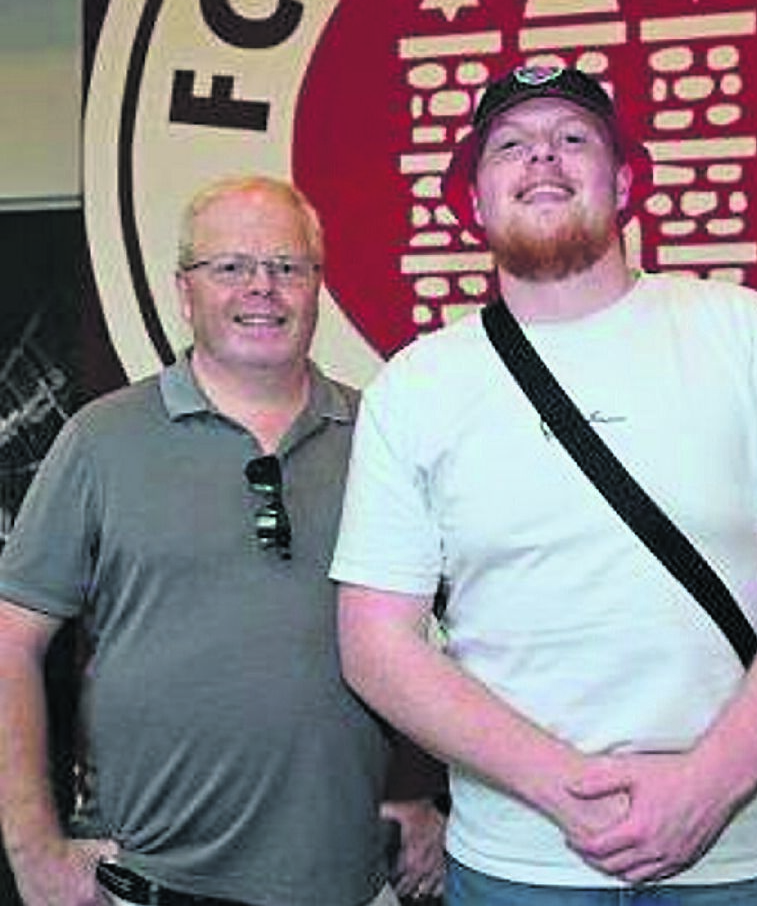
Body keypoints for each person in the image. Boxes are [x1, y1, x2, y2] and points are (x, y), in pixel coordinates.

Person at [331, 64, 757, 905]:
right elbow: (375, 645)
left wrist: (705, 788)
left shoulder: (751, 337)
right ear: (472, 201)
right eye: (509, 145)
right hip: (514, 868)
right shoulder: (413, 389)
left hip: (740, 860)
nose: (542, 156)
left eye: (573, 138)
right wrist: (561, 788)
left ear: (625, 183)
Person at [0, 176, 446, 906]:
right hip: (146, 881)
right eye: (231, 266)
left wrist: (414, 785)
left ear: (317, 286)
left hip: (350, 881)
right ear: (185, 291)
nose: (261, 288)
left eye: (285, 266)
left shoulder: (383, 440)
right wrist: (31, 848)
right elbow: (10, 641)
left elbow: (439, 629)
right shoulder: (99, 440)